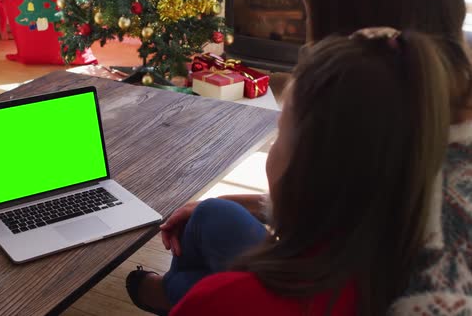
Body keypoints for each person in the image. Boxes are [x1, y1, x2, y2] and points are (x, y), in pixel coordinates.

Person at [125, 28, 451, 315]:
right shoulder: (414, 238)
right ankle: (171, 292)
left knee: (193, 281)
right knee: (213, 213)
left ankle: (172, 295)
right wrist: (236, 200)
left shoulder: (225, 302)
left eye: (281, 131)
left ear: (309, 165)